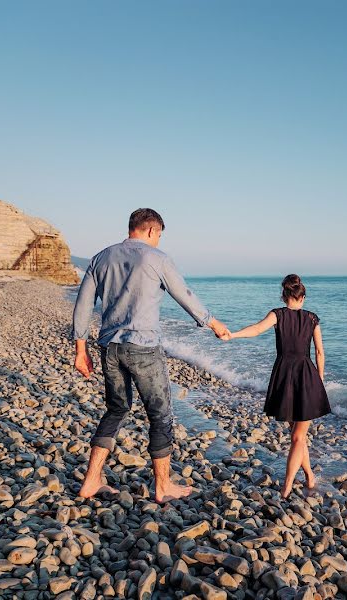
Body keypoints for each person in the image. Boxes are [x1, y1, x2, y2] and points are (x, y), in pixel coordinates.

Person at [71, 208, 230, 502]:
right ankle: (163, 486)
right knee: (160, 415)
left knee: (117, 410)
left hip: (109, 348)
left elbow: (82, 306)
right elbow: (184, 294)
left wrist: (81, 350)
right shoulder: (157, 258)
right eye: (158, 235)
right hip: (143, 348)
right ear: (151, 231)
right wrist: (214, 324)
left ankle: (91, 481)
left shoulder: (101, 258)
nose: (157, 240)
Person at [227, 274, 330, 499]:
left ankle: (290, 485)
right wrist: (319, 381)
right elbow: (320, 352)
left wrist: (233, 335)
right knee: (297, 436)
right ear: (302, 297)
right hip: (306, 377)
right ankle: (303, 479)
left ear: (285, 297)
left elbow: (255, 329)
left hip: (284, 376)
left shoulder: (277, 315)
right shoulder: (312, 318)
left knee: (297, 436)